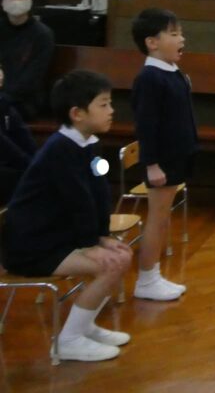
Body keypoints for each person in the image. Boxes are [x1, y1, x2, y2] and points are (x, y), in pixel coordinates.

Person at [1, 70, 133, 362]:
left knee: (121, 255)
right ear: (77, 113)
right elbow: (78, 201)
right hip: (33, 247)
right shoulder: (59, 150)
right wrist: (89, 245)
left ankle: (84, 327)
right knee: (110, 264)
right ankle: (69, 340)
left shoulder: (89, 143)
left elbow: (98, 191)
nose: (112, 110)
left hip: (58, 238)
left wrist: (102, 236)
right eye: (103, 104)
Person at [130, 8, 198, 301]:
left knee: (163, 218)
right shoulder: (150, 78)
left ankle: (153, 275)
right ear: (152, 42)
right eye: (173, 34)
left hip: (176, 156)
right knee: (156, 219)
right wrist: (151, 164)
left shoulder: (173, 73)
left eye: (180, 33)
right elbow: (146, 126)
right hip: (162, 161)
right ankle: (146, 279)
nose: (181, 39)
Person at [0, 0, 56, 121]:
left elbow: (32, 78)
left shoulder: (42, 35)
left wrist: (5, 95)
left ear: (31, 1)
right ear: (2, 1)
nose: (16, 1)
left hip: (25, 101)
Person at [0, 63, 37, 205]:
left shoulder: (5, 104)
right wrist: (31, 166)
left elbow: (24, 137)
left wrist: (36, 162)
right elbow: (5, 146)